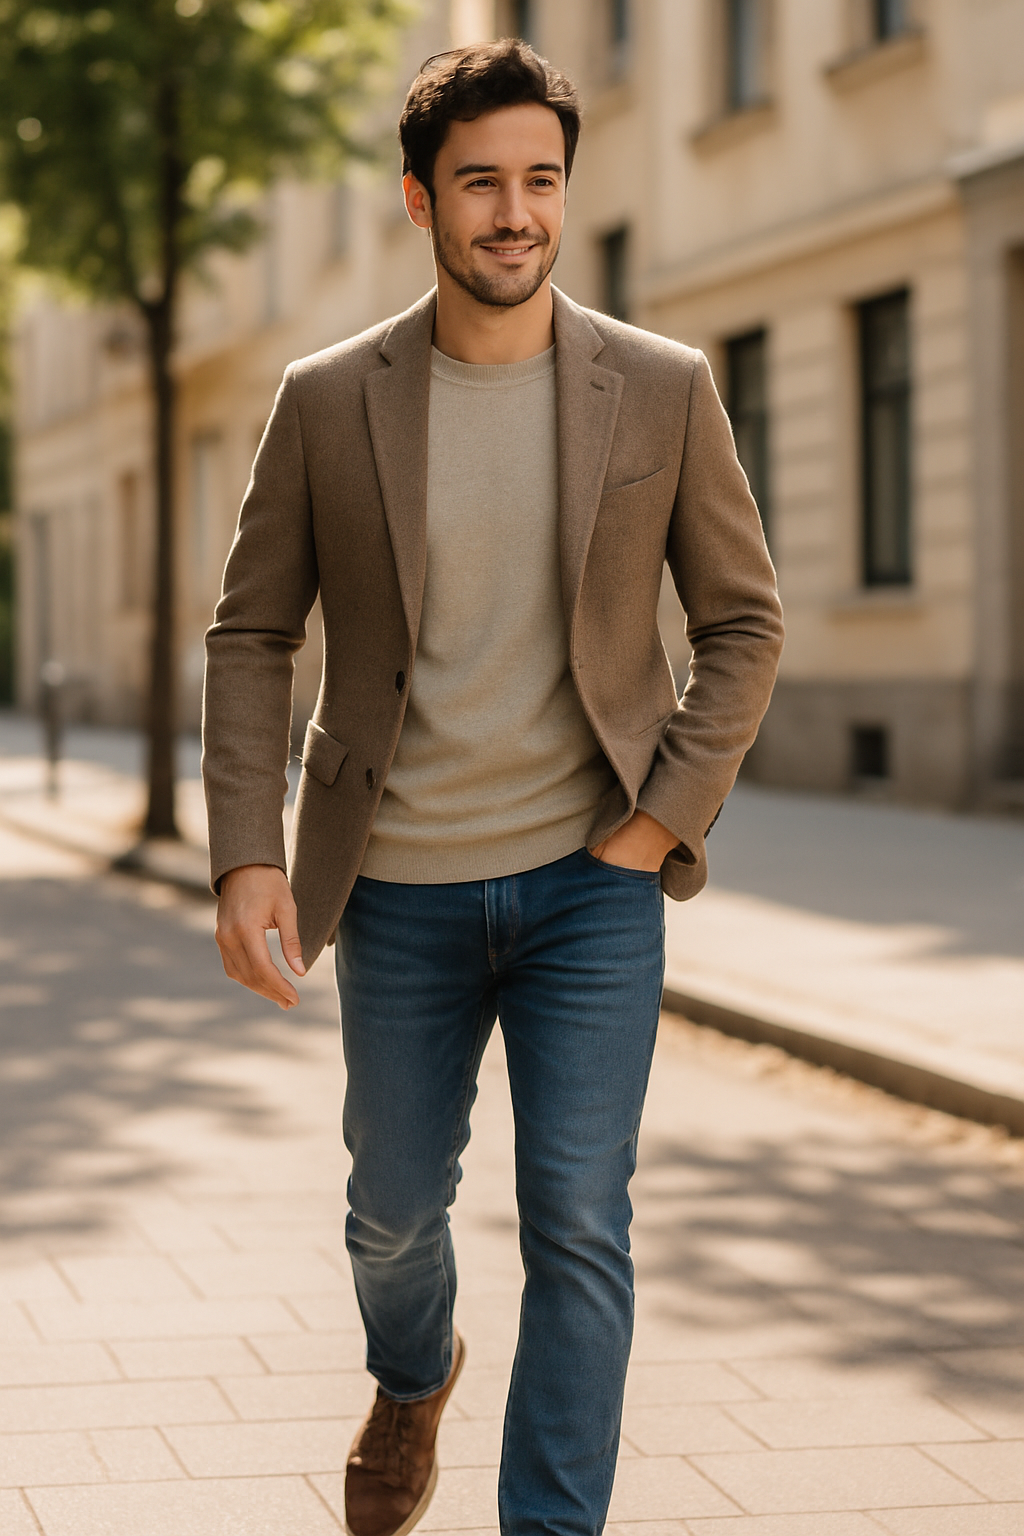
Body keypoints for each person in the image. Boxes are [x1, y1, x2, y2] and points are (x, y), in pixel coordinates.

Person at [203, 37, 784, 1536]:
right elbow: (254, 629)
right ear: (420, 202)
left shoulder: (659, 389)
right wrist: (242, 854)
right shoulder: (330, 400)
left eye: (539, 180)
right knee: (391, 1213)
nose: (514, 212)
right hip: (390, 886)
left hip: (593, 887)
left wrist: (662, 820)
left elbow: (744, 619)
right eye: (479, 184)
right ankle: (414, 1375)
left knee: (581, 1225)